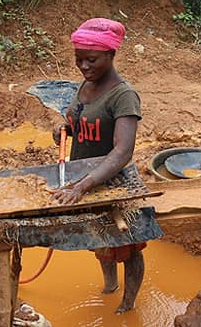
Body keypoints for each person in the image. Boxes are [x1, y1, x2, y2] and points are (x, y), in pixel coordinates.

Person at [52, 17, 145, 314]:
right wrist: (63, 129)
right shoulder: (86, 84)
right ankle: (109, 286)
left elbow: (122, 151)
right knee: (100, 239)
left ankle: (128, 303)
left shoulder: (123, 96)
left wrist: (83, 185)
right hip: (85, 182)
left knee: (129, 245)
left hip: (112, 183)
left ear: (111, 55)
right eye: (78, 60)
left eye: (91, 60)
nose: (83, 66)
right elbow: (77, 120)